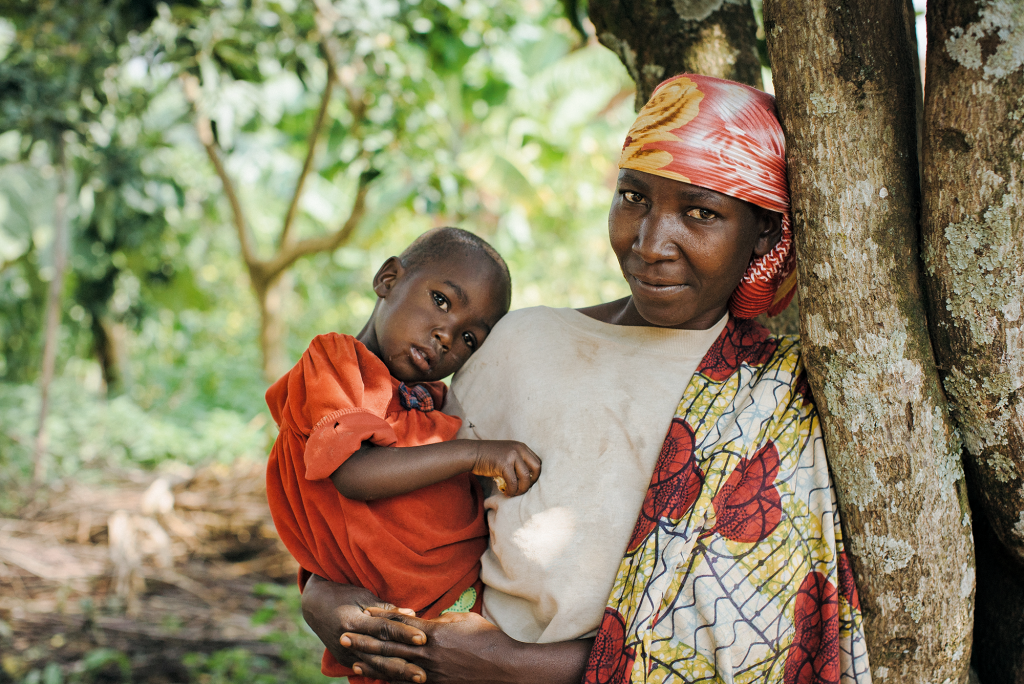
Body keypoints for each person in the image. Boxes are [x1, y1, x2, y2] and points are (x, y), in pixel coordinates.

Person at [299, 74, 872, 684]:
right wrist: (320, 594)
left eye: (701, 214)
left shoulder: (780, 396)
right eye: (634, 198)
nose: (652, 244)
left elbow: (760, 632)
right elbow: (398, 509)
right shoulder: (520, 344)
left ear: (763, 232)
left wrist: (516, 667)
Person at [265, 227, 542, 682]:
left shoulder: (430, 400)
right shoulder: (335, 364)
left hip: (469, 614)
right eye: (441, 301)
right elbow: (355, 474)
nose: (446, 335)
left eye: (470, 338)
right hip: (389, 627)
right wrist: (471, 455)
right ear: (388, 279)